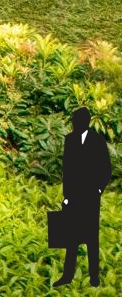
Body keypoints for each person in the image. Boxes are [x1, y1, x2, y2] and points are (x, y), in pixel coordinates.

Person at [59, 109, 112, 287]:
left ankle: (94, 277)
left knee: (91, 237)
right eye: (74, 120)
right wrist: (66, 196)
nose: (75, 123)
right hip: (73, 196)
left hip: (90, 196)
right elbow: (67, 171)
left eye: (78, 120)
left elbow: (106, 168)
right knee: (71, 237)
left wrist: (98, 189)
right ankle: (67, 276)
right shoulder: (70, 140)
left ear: (86, 121)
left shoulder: (97, 141)